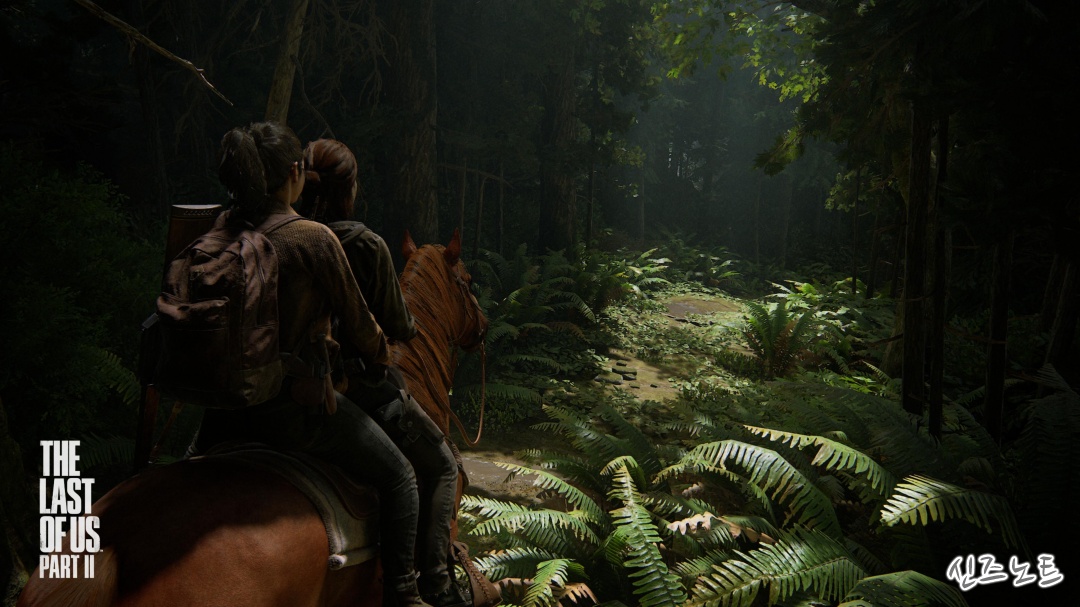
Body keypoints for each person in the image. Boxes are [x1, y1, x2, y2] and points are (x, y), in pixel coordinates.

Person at [190, 122, 434, 607]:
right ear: (295, 173)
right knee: (401, 477)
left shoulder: (221, 229)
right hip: (291, 412)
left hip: (221, 411)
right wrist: (380, 354)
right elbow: (363, 328)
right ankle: (405, 594)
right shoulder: (312, 237)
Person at [299, 138, 465, 607]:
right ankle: (432, 585)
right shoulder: (363, 244)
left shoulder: (282, 231)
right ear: (350, 189)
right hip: (355, 388)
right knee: (439, 466)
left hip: (281, 384)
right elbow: (398, 325)